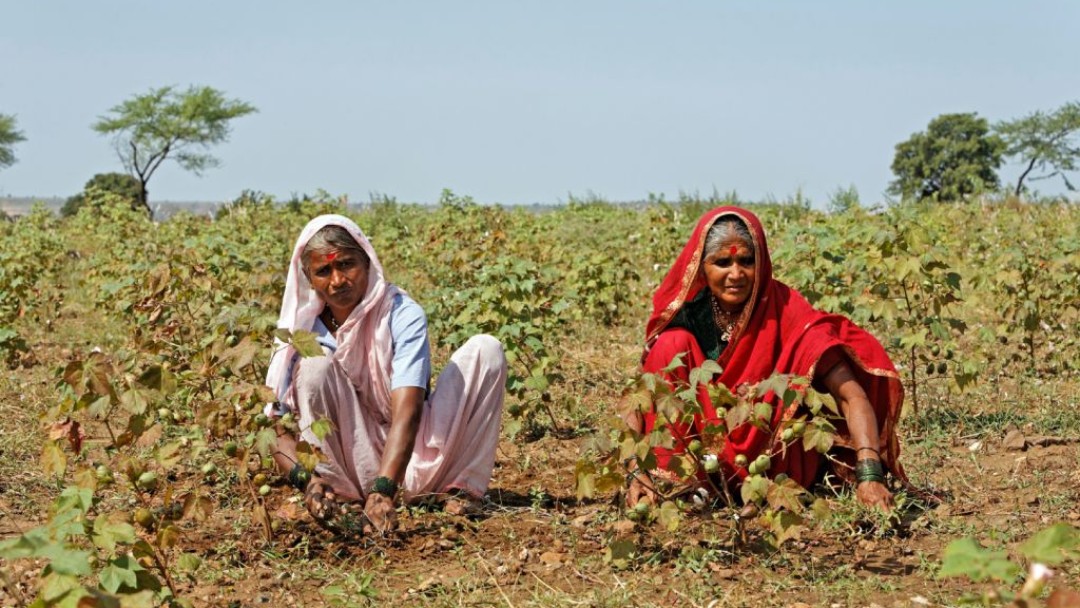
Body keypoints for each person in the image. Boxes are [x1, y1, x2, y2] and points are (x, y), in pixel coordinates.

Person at [624, 206, 906, 510]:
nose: (736, 274)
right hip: (703, 459)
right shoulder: (687, 318)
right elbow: (638, 400)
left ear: (761, 263)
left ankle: (741, 491)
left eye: (746, 261)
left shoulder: (787, 314)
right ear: (701, 267)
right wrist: (634, 471)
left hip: (770, 465)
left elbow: (851, 395)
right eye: (722, 262)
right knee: (670, 345)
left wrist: (870, 475)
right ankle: (681, 481)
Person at [265, 214, 507, 533]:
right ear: (310, 280)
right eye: (324, 271)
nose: (338, 280)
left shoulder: (400, 314)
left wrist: (383, 490)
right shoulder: (301, 333)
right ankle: (344, 495)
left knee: (486, 350)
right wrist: (308, 482)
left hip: (415, 457)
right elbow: (274, 427)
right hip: (347, 469)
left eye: (346, 264)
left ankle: (458, 488)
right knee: (314, 366)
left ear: (367, 261)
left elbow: (407, 411)